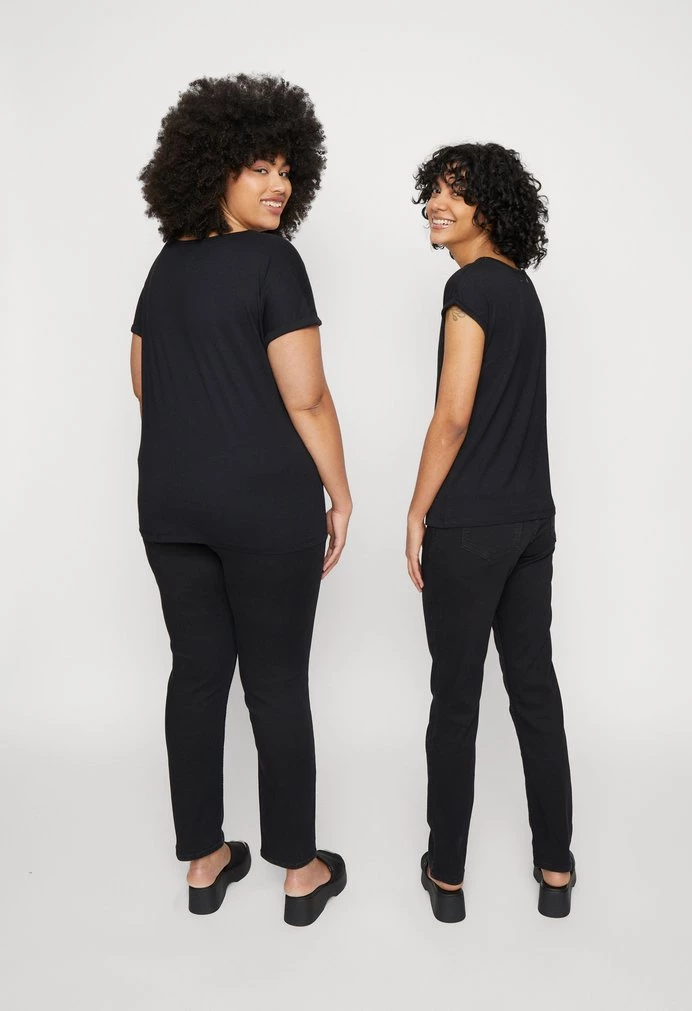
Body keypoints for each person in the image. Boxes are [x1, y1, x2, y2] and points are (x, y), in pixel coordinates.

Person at [130, 73, 351, 926]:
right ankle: (299, 870)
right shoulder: (273, 261)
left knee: (195, 676)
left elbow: (144, 382)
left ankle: (204, 859)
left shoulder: (165, 265)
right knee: (276, 684)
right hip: (265, 510)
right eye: (259, 167)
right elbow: (307, 397)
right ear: (213, 168)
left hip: (170, 506)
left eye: (286, 169)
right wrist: (339, 491)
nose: (278, 184)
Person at [406, 142, 575, 920]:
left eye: (454, 192)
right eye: (433, 190)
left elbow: (453, 415)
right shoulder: (522, 290)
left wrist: (417, 510)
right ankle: (556, 871)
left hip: (469, 526)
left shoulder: (468, 287)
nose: (436, 204)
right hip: (531, 521)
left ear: (489, 207)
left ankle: (446, 877)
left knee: (456, 701)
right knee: (535, 691)